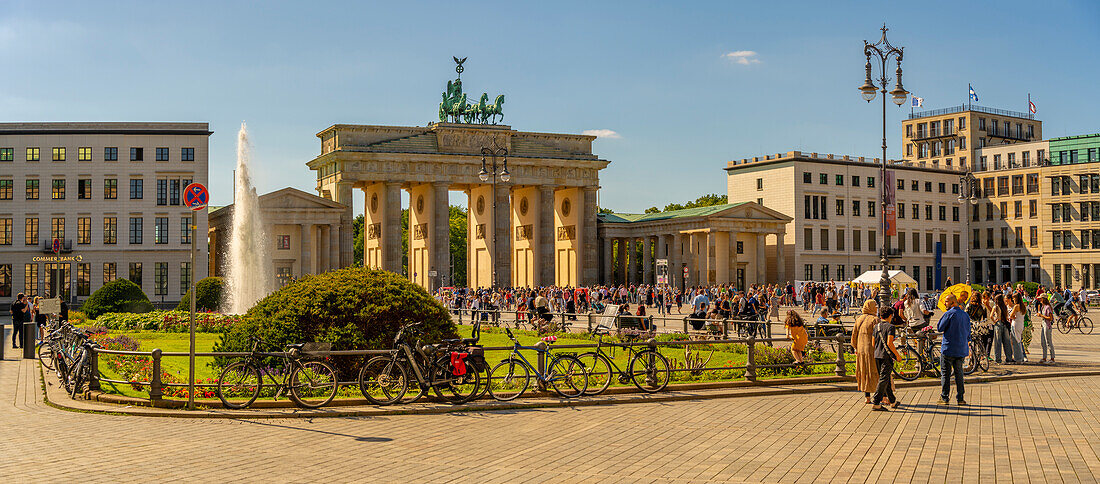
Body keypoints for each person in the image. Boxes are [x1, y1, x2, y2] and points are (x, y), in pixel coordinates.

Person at [937, 294, 971, 405]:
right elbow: (968, 332)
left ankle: (945, 397)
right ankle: (960, 398)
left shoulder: (949, 314)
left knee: (945, 374)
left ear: (953, 302)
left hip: (948, 348)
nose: (945, 303)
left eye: (946, 301)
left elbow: (940, 328)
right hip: (961, 348)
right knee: (959, 374)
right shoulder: (965, 315)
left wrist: (944, 316)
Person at [872, 306, 903, 410]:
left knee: (886, 379)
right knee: (884, 379)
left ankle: (893, 401)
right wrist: (897, 355)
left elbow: (873, 343)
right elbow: (890, 343)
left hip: (877, 355)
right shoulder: (891, 327)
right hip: (886, 356)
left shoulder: (876, 327)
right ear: (890, 315)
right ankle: (876, 402)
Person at [851, 299, 879, 404]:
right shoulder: (875, 320)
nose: (876, 308)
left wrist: (856, 348)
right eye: (875, 306)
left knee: (864, 372)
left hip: (861, 351)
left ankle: (867, 397)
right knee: (876, 372)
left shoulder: (859, 319)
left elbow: (853, 336)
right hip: (872, 350)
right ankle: (882, 396)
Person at [1008, 294, 1027, 363]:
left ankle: (1018, 358)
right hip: (1020, 324)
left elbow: (1011, 315)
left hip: (1015, 324)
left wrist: (1012, 317)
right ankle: (1021, 357)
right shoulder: (1023, 306)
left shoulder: (1016, 306)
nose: (1013, 300)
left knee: (1016, 341)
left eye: (1014, 298)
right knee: (1019, 340)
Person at [1038, 296, 1055, 364]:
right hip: (1044, 325)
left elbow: (1050, 318)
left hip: (1047, 326)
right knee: (1043, 342)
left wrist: (1041, 316)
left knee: (1048, 342)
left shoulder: (1048, 307)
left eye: (1040, 298)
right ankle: (1044, 357)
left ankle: (1052, 358)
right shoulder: (1043, 307)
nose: (1039, 300)